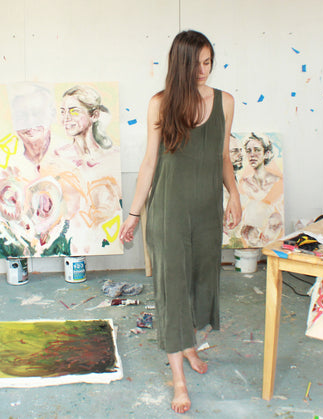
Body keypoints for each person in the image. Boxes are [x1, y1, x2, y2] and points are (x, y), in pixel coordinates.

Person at [118, 30, 241, 414]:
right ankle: (179, 380)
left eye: (208, 62)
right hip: (168, 212)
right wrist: (134, 213)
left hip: (206, 212)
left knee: (200, 285)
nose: (203, 71)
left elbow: (223, 156)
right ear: (179, 64)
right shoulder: (160, 104)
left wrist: (235, 195)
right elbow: (149, 163)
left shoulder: (225, 102)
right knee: (172, 292)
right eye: (196, 63)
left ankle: (189, 345)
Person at [57, 85, 114, 165]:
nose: (66, 118)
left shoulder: (112, 156)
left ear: (94, 115)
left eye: (74, 111)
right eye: (63, 112)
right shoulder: (59, 157)